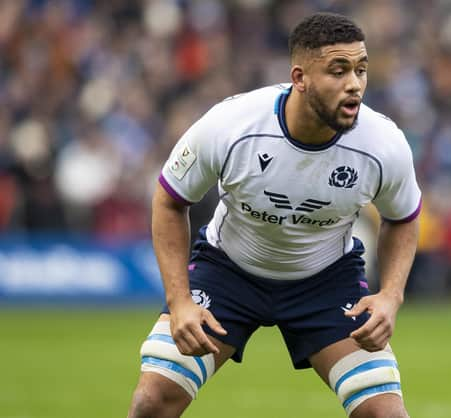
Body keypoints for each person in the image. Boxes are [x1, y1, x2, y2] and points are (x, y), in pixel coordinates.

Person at [127, 12, 421, 418]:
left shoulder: (384, 143)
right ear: (300, 78)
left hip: (326, 282)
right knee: (151, 402)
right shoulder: (230, 125)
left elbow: (403, 217)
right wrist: (179, 302)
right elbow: (169, 200)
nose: (354, 84)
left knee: (385, 415)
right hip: (228, 272)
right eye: (338, 71)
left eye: (361, 69)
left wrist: (391, 294)